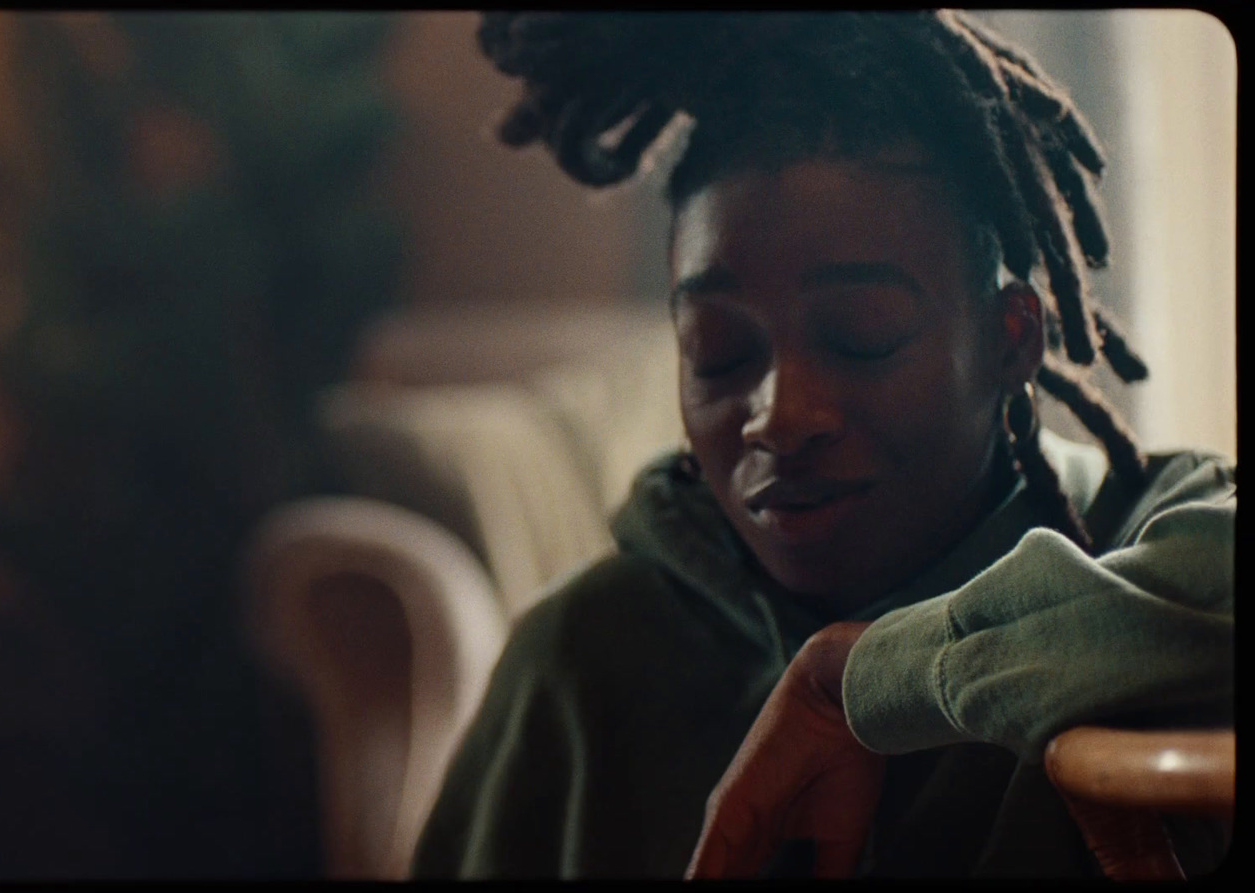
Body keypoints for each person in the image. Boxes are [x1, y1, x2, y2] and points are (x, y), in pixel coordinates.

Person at [410, 10, 1234, 879]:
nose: (779, 413)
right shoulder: (584, 659)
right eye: (719, 351)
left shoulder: (1142, 543)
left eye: (861, 336)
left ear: (1011, 339)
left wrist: (872, 682)